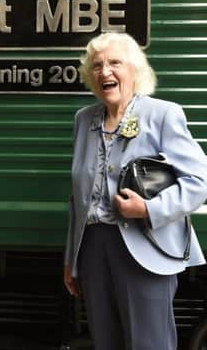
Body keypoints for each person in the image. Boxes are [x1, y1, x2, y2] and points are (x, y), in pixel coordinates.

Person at [63, 32, 207, 350]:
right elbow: (78, 198)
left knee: (149, 343)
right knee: (105, 341)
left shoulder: (162, 114)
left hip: (146, 244)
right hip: (94, 249)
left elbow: (201, 179)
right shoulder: (84, 120)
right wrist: (72, 259)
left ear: (134, 70)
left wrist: (149, 210)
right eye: (97, 65)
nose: (105, 72)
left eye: (115, 63)